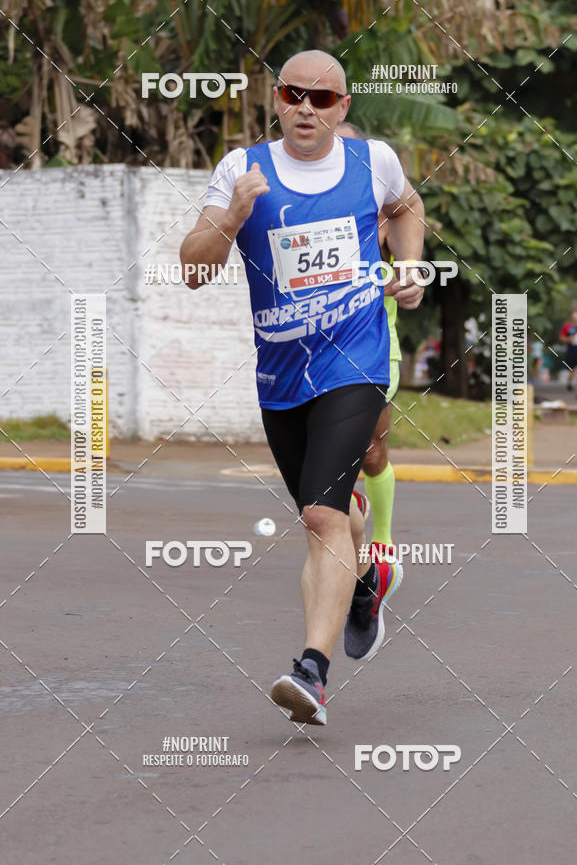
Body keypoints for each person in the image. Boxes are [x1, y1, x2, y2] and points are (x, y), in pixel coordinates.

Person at [180, 49, 425, 726]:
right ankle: (368, 580)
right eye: (295, 95)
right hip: (282, 375)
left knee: (321, 517)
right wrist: (231, 218)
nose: (307, 109)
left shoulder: (372, 161)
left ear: (342, 108)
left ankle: (311, 672)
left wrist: (411, 267)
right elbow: (193, 269)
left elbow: (407, 207)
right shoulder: (240, 169)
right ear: (278, 100)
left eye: (323, 99)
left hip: (357, 359)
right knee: (329, 516)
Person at [335, 121, 405, 565]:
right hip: (315, 355)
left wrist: (406, 276)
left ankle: (383, 541)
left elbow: (405, 270)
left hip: (375, 351)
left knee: (371, 448)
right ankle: (347, 506)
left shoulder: (384, 213)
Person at [559, 311, 577, 399]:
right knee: (571, 372)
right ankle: (569, 382)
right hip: (570, 353)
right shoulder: (567, 326)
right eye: (575, 318)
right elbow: (561, 337)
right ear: (572, 318)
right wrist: (568, 339)